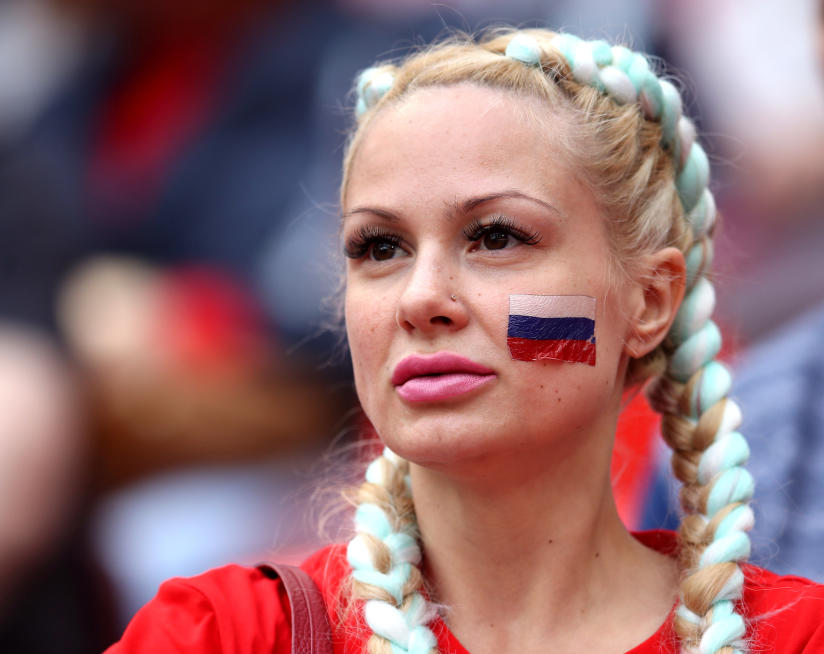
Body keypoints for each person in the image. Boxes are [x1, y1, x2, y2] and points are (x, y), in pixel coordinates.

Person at [104, 28, 824, 654]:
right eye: (380, 247)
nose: (421, 298)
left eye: (496, 236)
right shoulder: (225, 636)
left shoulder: (797, 636)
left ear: (650, 299)